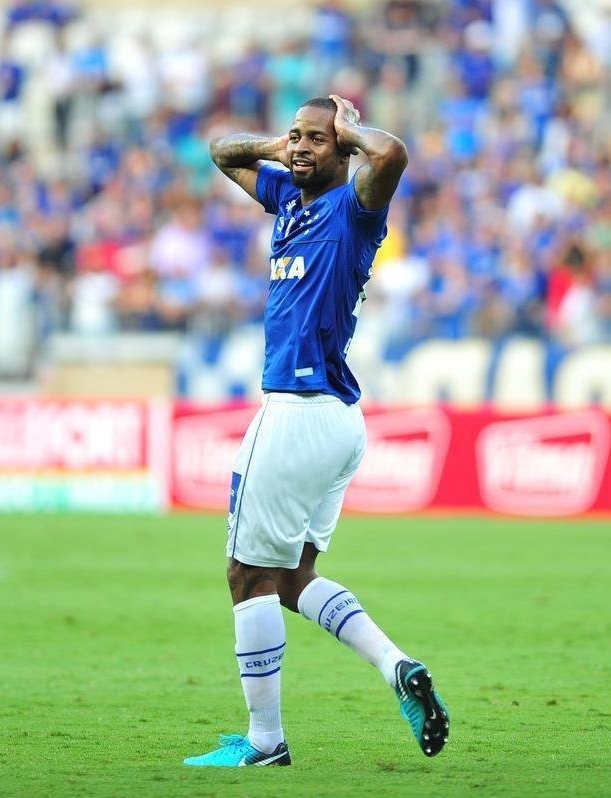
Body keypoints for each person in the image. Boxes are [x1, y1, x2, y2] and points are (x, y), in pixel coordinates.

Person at [184, 95, 449, 768]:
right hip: (329, 416)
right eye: (295, 136)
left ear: (343, 150)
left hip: (300, 407)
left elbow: (390, 153)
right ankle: (397, 668)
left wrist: (349, 130)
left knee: (248, 577)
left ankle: (267, 743)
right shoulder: (288, 196)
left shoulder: (354, 211)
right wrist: (287, 144)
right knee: (294, 577)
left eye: (315, 139)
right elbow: (220, 148)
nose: (301, 146)